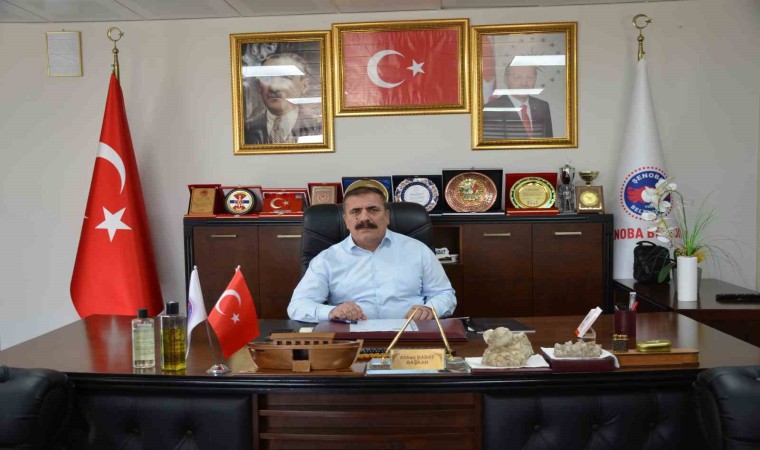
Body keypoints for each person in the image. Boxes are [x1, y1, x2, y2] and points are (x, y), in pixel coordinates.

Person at [287, 186, 456, 323]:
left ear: (387, 216)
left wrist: (430, 309)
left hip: (410, 334)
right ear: (346, 220)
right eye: (355, 211)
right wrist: (331, 311)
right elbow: (298, 306)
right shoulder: (327, 259)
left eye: (373, 209)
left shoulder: (417, 250)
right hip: (352, 340)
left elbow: (444, 294)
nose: (364, 218)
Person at [244, 52, 322, 145]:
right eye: (266, 78)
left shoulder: (320, 126)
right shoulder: (245, 129)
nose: (274, 87)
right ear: (259, 86)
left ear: (304, 86)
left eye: (285, 78)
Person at [482, 64, 553, 139]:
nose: (524, 83)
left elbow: (549, 143)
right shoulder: (490, 110)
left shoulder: (542, 106)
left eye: (530, 77)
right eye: (517, 77)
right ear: (506, 80)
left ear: (535, 79)